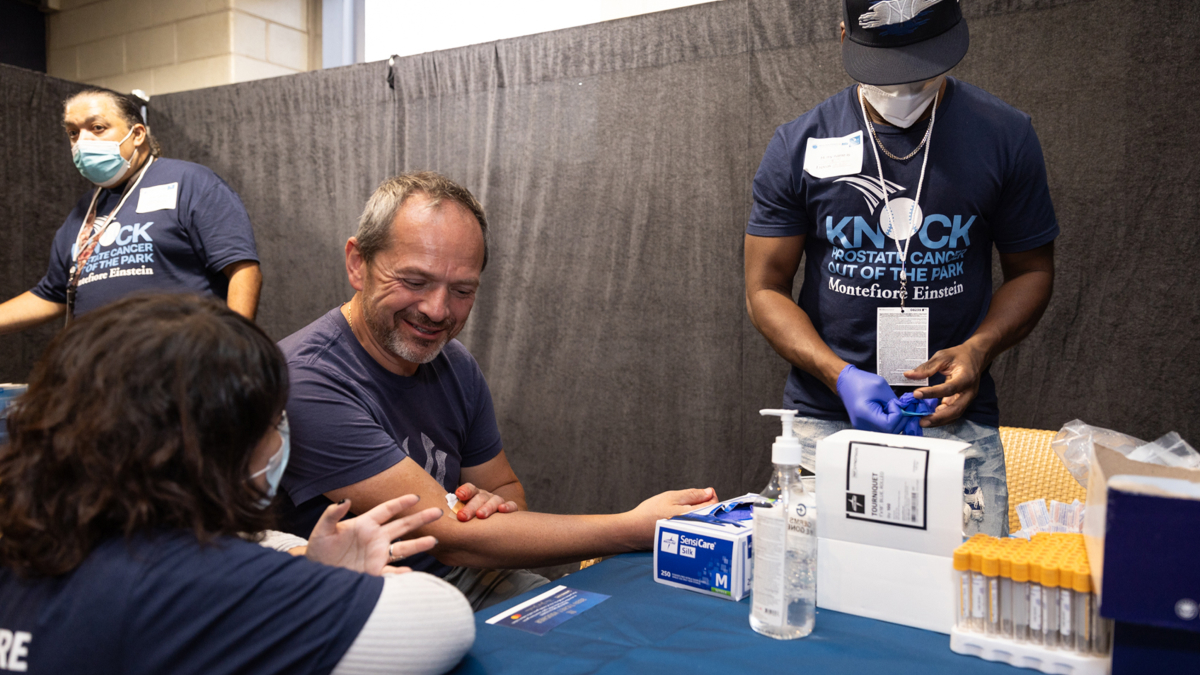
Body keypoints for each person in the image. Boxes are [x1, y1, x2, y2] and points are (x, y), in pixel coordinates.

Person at [278, 172, 718, 609]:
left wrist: (490, 507)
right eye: (414, 281)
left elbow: (506, 491)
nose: (437, 310)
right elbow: (450, 538)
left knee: (606, 625)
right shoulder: (306, 381)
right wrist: (633, 528)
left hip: (468, 578)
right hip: (362, 602)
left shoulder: (453, 362)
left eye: (462, 290)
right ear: (358, 263)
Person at [0, 294, 475, 675]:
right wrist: (314, 583)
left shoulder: (33, 532)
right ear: (214, 451)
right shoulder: (194, 583)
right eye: (274, 423)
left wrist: (306, 562)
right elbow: (441, 619)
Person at [744, 0, 1057, 536]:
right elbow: (765, 289)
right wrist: (838, 375)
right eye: (890, 65)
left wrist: (978, 350)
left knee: (965, 598)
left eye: (924, 62)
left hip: (951, 412)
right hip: (826, 415)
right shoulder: (799, 143)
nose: (907, 84)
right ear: (844, 34)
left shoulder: (1005, 135)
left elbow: (1032, 270)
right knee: (813, 589)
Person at [0, 88, 262, 334]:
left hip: (184, 364)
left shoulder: (190, 181)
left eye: (97, 128)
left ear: (137, 134)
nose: (82, 141)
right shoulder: (84, 210)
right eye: (73, 132)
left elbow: (243, 269)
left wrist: (236, 348)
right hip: (100, 370)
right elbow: (52, 294)